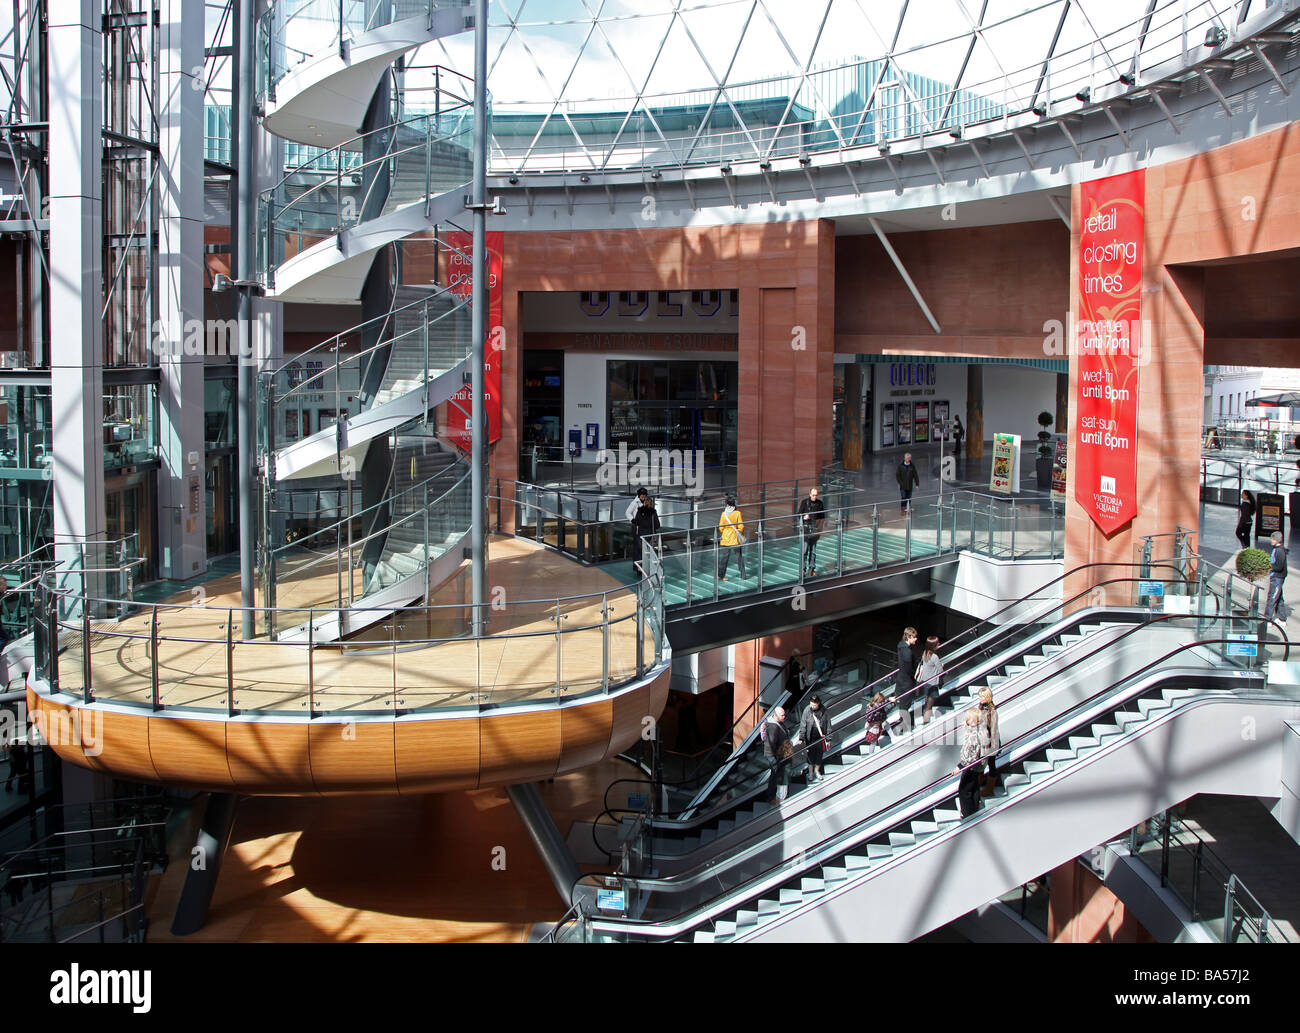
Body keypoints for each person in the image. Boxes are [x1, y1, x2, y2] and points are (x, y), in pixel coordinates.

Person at [955, 706, 989, 818]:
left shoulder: (974, 735)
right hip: (980, 765)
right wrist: (967, 727)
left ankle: (968, 814)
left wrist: (960, 766)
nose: (966, 720)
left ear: (972, 720)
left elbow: (971, 755)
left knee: (964, 791)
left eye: (968, 719)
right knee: (974, 788)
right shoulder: (982, 727)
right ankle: (974, 809)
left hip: (972, 766)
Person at [793, 695, 829, 782]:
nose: (812, 706)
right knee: (810, 756)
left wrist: (829, 737)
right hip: (810, 737)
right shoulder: (807, 710)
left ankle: (816, 771)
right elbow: (803, 724)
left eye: (814, 705)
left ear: (818, 703)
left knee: (819, 755)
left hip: (820, 737)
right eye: (811, 704)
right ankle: (811, 772)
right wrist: (802, 737)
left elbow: (828, 724)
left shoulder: (824, 710)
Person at [763, 705, 791, 804]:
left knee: (776, 775)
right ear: (776, 715)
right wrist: (773, 760)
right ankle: (773, 797)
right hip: (776, 757)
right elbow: (769, 745)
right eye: (782, 715)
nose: (784, 717)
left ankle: (776, 796)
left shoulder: (777, 723)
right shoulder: (773, 727)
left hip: (779, 755)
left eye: (784, 715)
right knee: (776, 776)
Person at [978, 686, 1001, 797]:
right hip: (984, 740)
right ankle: (982, 783)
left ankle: (989, 789)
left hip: (990, 742)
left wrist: (993, 744)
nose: (980, 698)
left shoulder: (991, 710)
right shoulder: (983, 707)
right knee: (984, 763)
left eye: (982, 696)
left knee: (990, 764)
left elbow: (993, 729)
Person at [797, 487, 826, 576]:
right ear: (810, 494)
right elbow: (799, 515)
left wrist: (819, 530)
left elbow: (822, 518)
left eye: (816, 495)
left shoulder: (820, 503)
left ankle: (812, 569)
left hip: (815, 529)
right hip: (806, 528)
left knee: (813, 551)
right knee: (804, 550)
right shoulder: (805, 502)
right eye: (813, 495)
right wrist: (804, 517)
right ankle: (803, 570)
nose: (814, 497)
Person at [717, 495, 747, 581]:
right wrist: (738, 532)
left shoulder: (724, 514)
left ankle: (721, 575)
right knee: (739, 557)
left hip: (726, 538)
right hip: (735, 539)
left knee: (724, 558)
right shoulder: (737, 513)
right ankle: (743, 575)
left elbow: (721, 527)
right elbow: (741, 526)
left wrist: (726, 532)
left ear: (727, 504)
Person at [915, 635, 943, 724]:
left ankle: (924, 717)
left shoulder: (925, 653)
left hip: (926, 681)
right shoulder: (934, 657)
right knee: (929, 705)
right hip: (933, 683)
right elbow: (941, 670)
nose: (939, 644)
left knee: (927, 701)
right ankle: (926, 721)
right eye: (937, 643)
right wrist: (941, 665)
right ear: (933, 646)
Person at [631, 495, 661, 570]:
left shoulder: (639, 511)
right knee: (650, 552)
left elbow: (636, 522)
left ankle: (639, 569)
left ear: (644, 503)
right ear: (651, 504)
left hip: (640, 535)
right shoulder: (653, 512)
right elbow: (657, 525)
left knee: (639, 552)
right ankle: (650, 569)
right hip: (650, 535)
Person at [1265, 530, 1288, 620]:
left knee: (1272, 597)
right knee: (1278, 598)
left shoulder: (1280, 551)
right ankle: (1282, 618)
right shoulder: (1277, 550)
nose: (1271, 540)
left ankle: (1267, 618)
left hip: (1277, 578)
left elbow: (1279, 567)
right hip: (1276, 577)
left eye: (1273, 538)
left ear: (1277, 540)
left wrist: (1268, 566)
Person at [896, 626, 919, 710]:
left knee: (902, 702)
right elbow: (909, 669)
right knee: (905, 705)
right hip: (907, 682)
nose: (916, 639)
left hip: (901, 679)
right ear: (909, 637)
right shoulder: (907, 652)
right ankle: (904, 721)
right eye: (914, 637)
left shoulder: (901, 645)